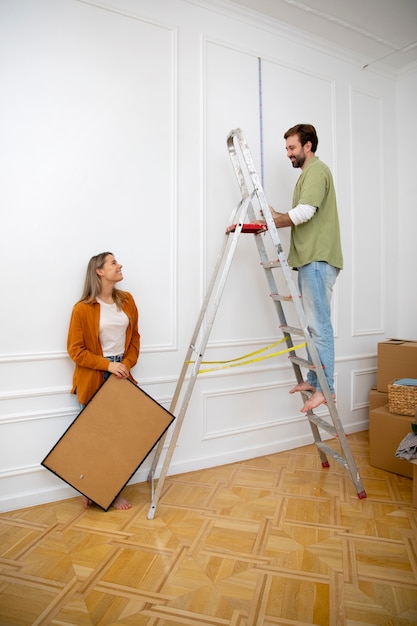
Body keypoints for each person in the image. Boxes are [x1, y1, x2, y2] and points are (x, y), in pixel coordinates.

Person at [265, 124, 343, 413]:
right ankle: (315, 379)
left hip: (318, 261)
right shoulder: (307, 176)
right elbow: (296, 214)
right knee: (312, 326)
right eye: (287, 149)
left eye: (292, 148)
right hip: (309, 261)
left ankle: (327, 389)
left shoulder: (317, 172)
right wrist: (274, 216)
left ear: (308, 146)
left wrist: (274, 221)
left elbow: (303, 214)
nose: (289, 154)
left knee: (320, 327)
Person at [67, 251, 140, 509]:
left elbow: (134, 340)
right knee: (97, 441)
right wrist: (109, 365)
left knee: (120, 441)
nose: (119, 265)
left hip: (122, 372)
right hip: (96, 375)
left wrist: (125, 365)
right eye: (113, 262)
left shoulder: (127, 301)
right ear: (99, 271)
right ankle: (94, 489)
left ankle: (112, 491)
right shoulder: (83, 308)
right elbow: (76, 351)